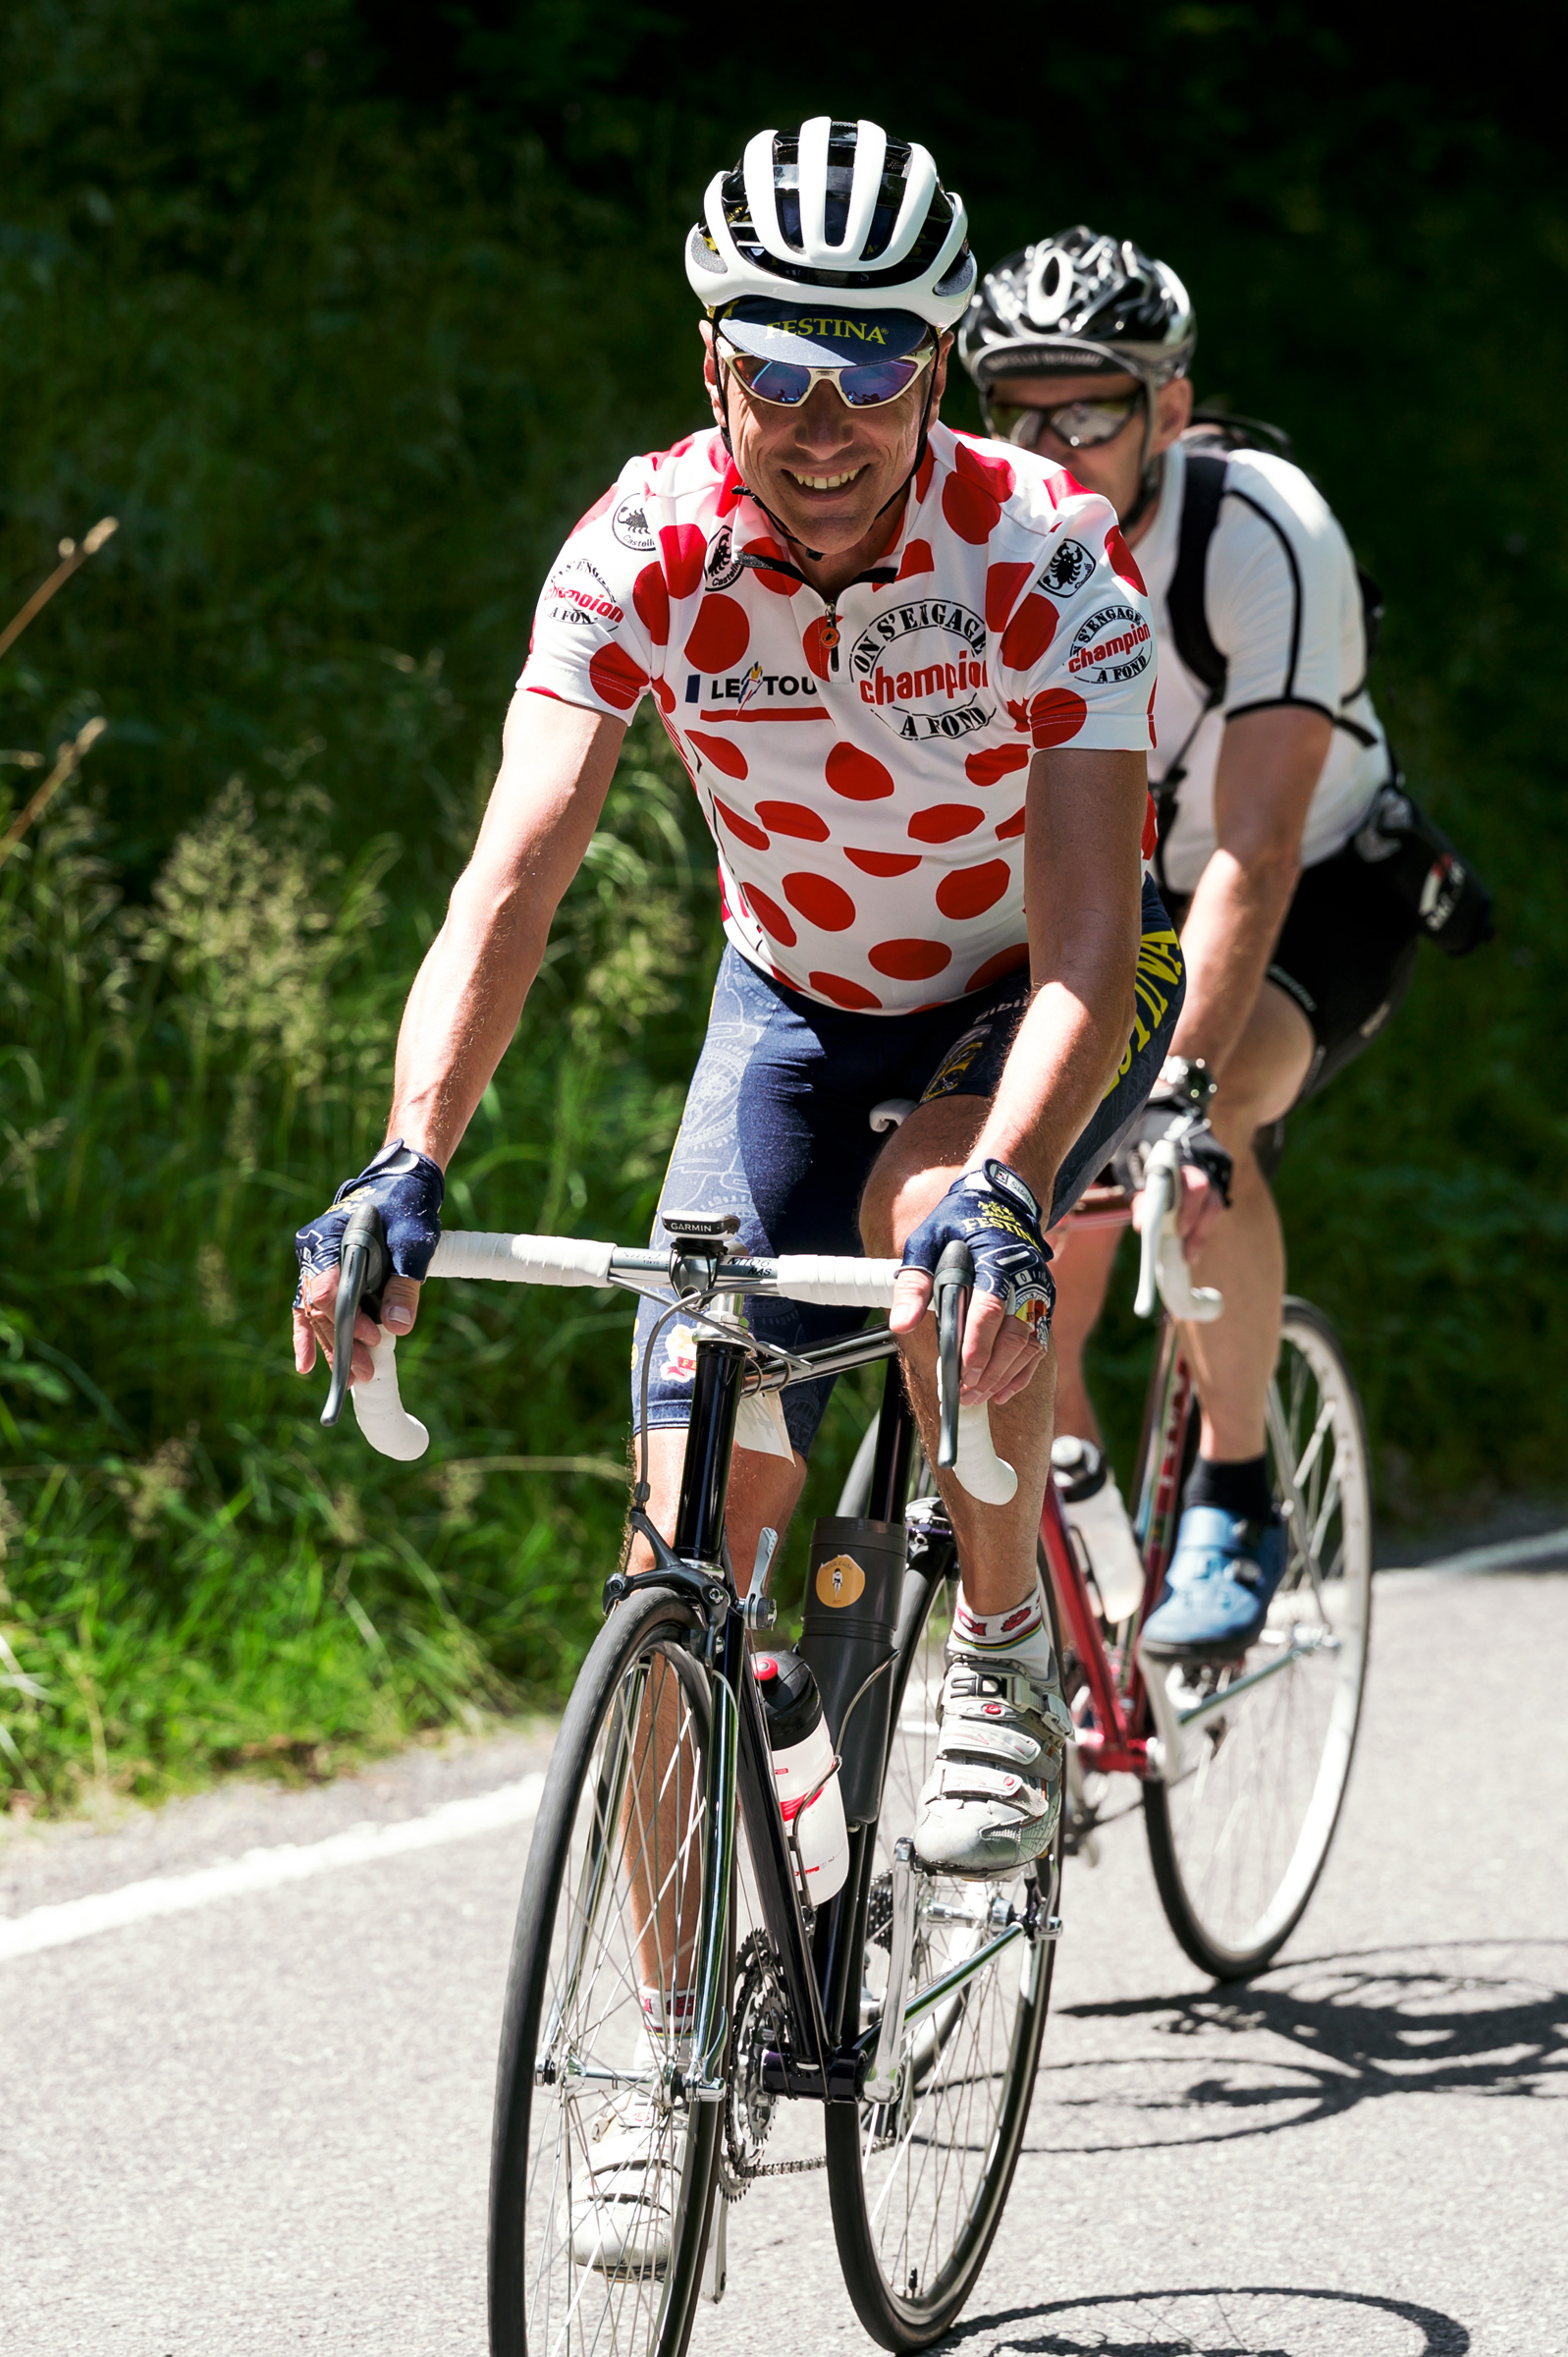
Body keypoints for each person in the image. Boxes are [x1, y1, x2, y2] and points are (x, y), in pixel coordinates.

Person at [293, 129, 1181, 2251]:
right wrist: (413, 1149)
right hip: (791, 999)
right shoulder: (644, 545)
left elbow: (1084, 943)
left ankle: (997, 1652)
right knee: (679, 1524)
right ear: (712, 366)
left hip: (1034, 995)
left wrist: (1005, 1187)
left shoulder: (1044, 547)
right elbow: (510, 882)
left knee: (928, 1225)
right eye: (778, 370)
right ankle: (665, 2060)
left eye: (872, 372)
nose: (822, 423)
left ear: (937, 370)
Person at [959, 226, 1417, 1658]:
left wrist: (1182, 1085)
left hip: (1314, 877)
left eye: (1087, 413)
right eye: (1016, 411)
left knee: (1201, 1128)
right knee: (1033, 1195)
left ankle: (1234, 1486)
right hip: (1110, 877)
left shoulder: (1261, 530)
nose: (1048, 446)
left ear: (1167, 406)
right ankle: (1080, 1544)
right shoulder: (969, 526)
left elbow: (1255, 847)